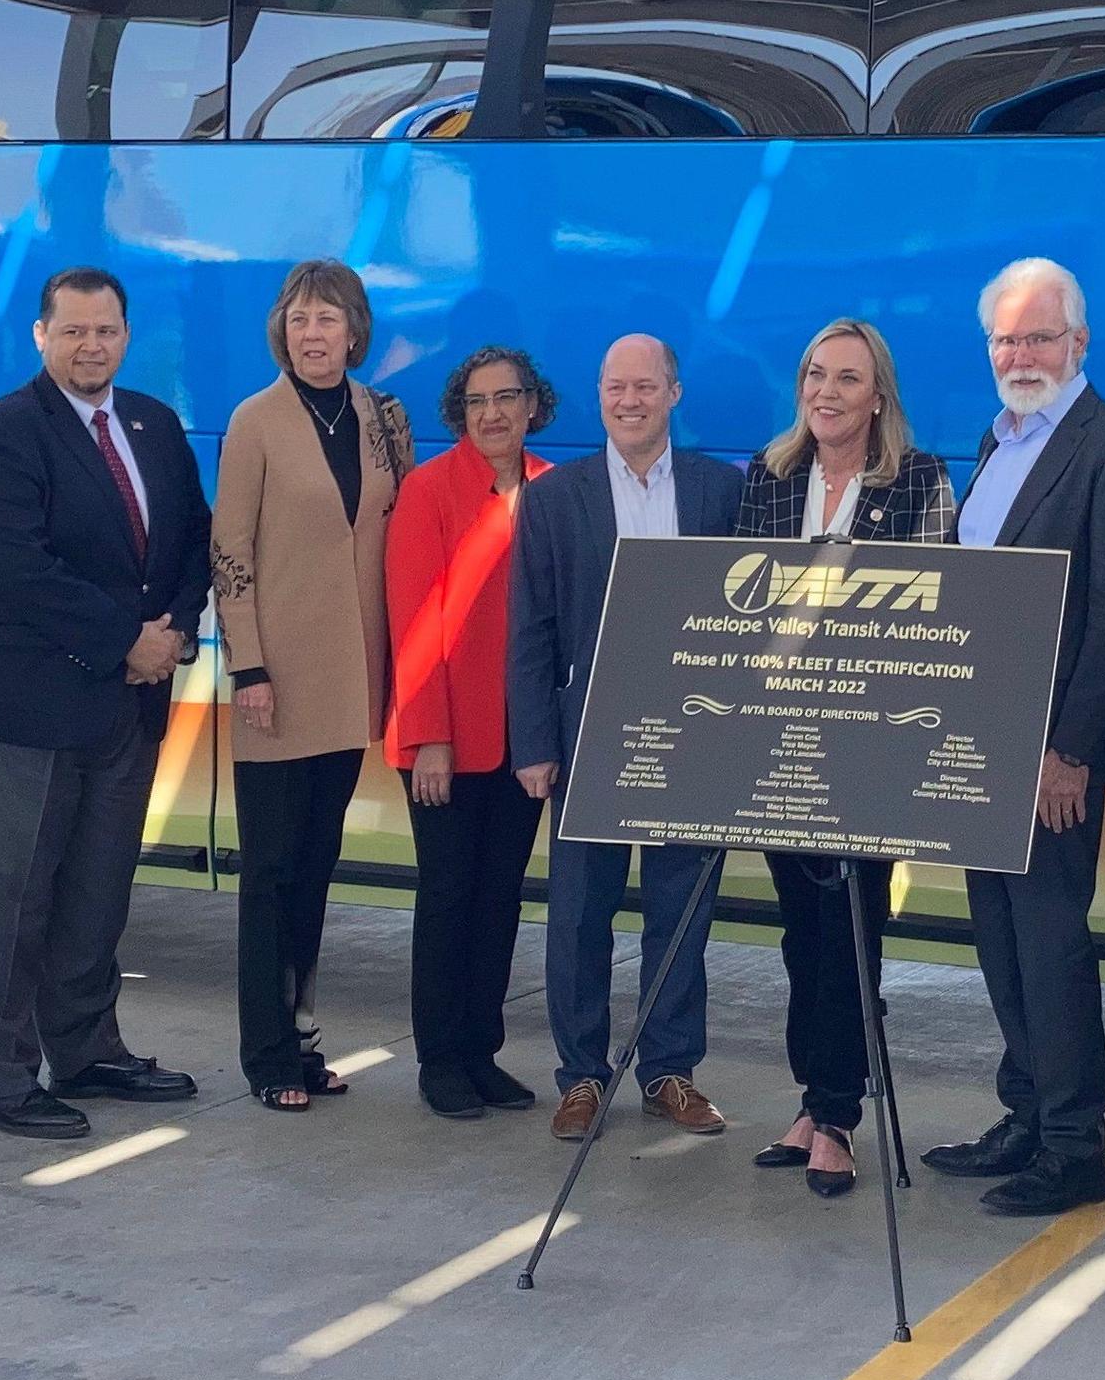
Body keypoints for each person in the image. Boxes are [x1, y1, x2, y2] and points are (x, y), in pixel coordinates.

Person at [0, 266, 212, 1140]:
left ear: (126, 335)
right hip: (28, 709)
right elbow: (19, 565)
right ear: (41, 337)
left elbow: (191, 541)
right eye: (73, 332)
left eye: (105, 331)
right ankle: (1, 1078)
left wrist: (174, 626)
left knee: (97, 894)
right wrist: (125, 640)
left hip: (127, 707)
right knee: (6, 900)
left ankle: (87, 1049)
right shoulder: (2, 432)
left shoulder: (155, 423)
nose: (90, 346)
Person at [926, 263, 1105, 1219]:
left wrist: (1070, 749)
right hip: (981, 743)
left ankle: (1076, 1145)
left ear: (1080, 343)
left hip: (1049, 758)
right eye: (1005, 341)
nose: (1019, 356)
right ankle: (1024, 1115)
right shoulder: (999, 440)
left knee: (1051, 946)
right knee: (1001, 943)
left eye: (1038, 338)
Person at [739, 316, 963, 1177]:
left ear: (878, 399)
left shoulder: (919, 481)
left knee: (852, 931)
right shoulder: (768, 474)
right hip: (778, 743)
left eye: (845, 379)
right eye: (814, 375)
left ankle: (838, 1114)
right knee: (800, 933)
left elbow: (936, 610)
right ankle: (812, 1101)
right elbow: (738, 604)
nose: (825, 393)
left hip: (871, 750)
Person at [510, 333, 745, 1141]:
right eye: (615, 387)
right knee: (579, 913)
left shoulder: (723, 491)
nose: (630, 401)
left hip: (698, 739)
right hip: (588, 742)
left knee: (681, 912)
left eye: (646, 387)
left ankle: (670, 1072)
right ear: (599, 395)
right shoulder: (552, 498)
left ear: (674, 394)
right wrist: (534, 744)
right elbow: (531, 629)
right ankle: (581, 1078)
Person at [214, 257, 416, 1110]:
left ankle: (300, 1034)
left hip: (350, 682)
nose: (312, 334)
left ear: (354, 330)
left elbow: (400, 534)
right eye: (299, 319)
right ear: (281, 330)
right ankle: (265, 1056)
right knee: (268, 873)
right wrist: (248, 666)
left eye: (328, 319)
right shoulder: (254, 421)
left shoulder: (383, 419)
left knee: (316, 866)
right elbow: (231, 554)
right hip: (276, 685)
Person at [384, 344, 553, 1120]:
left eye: (507, 398)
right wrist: (429, 737)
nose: (493, 413)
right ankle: (439, 1060)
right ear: (460, 413)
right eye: (478, 401)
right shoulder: (428, 491)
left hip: (522, 746)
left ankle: (482, 1051)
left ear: (532, 407)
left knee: (500, 900)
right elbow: (414, 622)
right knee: (448, 897)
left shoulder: (554, 491)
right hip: (444, 742)